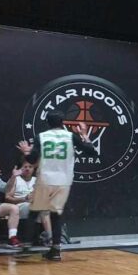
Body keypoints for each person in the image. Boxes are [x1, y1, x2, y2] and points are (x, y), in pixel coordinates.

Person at [16, 110, 97, 261]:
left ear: (47, 123)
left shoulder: (41, 136)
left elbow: (32, 160)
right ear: (62, 123)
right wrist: (85, 136)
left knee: (34, 213)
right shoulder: (70, 136)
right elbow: (91, 152)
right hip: (64, 181)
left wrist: (26, 152)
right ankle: (55, 250)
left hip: (45, 179)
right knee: (56, 215)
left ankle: (26, 247)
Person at [3, 159, 52, 246]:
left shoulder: (37, 180)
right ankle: (46, 237)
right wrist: (24, 198)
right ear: (20, 169)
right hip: (19, 206)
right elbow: (7, 198)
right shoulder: (15, 179)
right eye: (25, 167)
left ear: (33, 169)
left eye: (30, 167)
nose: (27, 169)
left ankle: (49, 237)